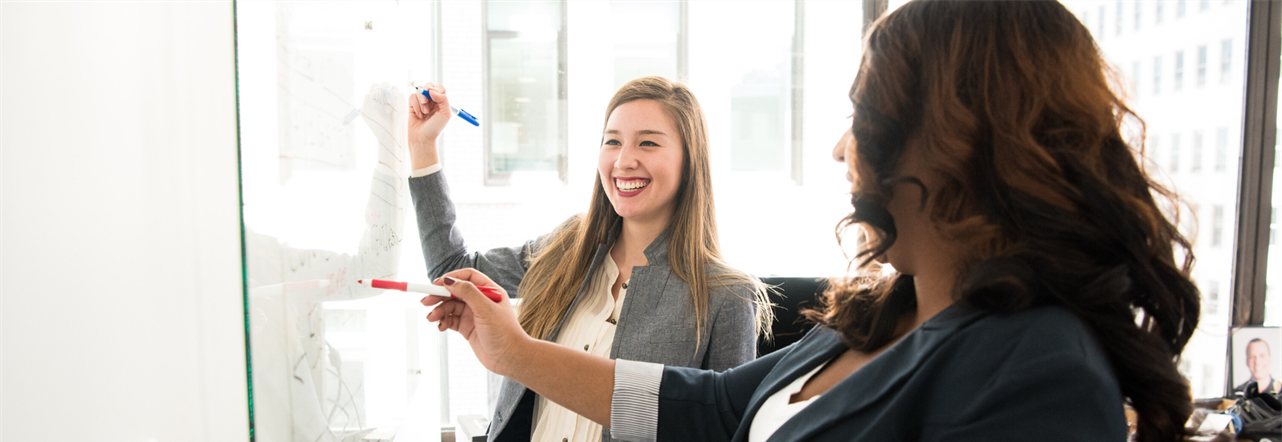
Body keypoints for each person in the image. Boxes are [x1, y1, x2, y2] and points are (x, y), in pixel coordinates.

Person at [419, 1, 1202, 441]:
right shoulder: (872, 317)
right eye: (611, 140)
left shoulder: (1037, 370)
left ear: (955, 142)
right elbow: (716, 406)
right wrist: (515, 354)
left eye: (863, 116)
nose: (838, 148)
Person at [406, 76, 771, 441]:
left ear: (690, 160)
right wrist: (423, 146)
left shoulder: (727, 296)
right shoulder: (569, 247)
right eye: (612, 141)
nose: (624, 160)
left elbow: (730, 430)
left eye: (647, 143)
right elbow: (452, 273)